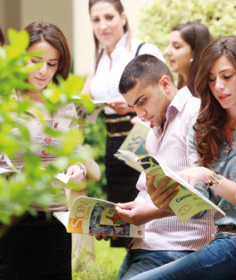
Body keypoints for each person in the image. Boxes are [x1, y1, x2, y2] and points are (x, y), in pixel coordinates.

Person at [129, 36, 236, 280]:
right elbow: (199, 208)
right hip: (220, 238)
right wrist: (166, 198)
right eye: (212, 79)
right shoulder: (205, 128)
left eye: (227, 76)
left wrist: (207, 175)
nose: (219, 87)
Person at [106, 54, 215, 280]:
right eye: (133, 106)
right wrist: (118, 221)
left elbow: (204, 195)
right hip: (147, 243)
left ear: (165, 83)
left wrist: (148, 213)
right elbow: (147, 194)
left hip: (180, 247)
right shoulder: (154, 131)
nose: (140, 114)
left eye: (142, 101)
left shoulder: (194, 114)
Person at [0, 21, 85, 280]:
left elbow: (76, 155)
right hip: (11, 222)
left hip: (55, 221)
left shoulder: (64, 106)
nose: (43, 71)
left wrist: (77, 170)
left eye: (52, 63)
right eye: (35, 61)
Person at [81, 0, 165, 249]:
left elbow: (162, 92)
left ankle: (148, 256)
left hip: (140, 132)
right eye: (96, 20)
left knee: (141, 204)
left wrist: (129, 105)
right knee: (119, 211)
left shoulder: (141, 49)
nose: (102, 25)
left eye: (109, 17)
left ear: (123, 18)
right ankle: (129, 261)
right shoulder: (97, 58)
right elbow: (85, 97)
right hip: (112, 136)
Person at [165, 22, 212, 96]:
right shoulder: (177, 84)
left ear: (195, 52)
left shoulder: (209, 89)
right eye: (168, 44)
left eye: (176, 46)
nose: (167, 52)